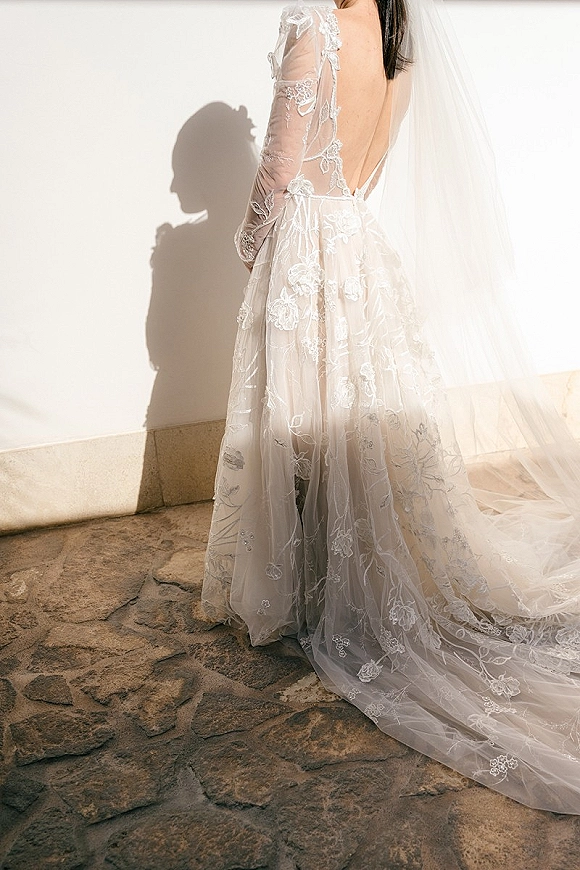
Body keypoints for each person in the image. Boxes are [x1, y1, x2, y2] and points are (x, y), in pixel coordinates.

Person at [202, 0, 580, 814]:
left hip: (305, 244)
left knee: (300, 423)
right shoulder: (401, 36)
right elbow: (365, 167)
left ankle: (304, 587)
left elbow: (277, 165)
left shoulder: (312, 20)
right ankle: (344, 579)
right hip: (358, 242)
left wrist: (247, 246)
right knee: (348, 422)